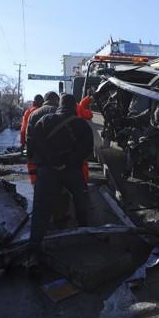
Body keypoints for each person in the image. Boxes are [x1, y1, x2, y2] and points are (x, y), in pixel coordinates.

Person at [27, 94, 94, 269]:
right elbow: (88, 149)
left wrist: (50, 160)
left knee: (41, 208)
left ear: (59, 105)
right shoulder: (81, 124)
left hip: (47, 171)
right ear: (73, 107)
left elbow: (32, 143)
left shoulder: (45, 119)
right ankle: (85, 235)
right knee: (81, 200)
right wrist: (70, 161)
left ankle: (33, 252)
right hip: (72, 171)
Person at [26, 92, 60, 184]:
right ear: (57, 100)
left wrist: (30, 156)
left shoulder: (33, 114)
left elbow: (29, 137)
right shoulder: (60, 112)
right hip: (59, 158)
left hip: (39, 157)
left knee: (40, 185)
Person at [20, 94, 44, 183]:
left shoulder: (28, 112)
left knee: (31, 164)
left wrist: (22, 144)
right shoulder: (47, 111)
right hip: (45, 144)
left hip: (31, 143)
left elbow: (23, 130)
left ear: (34, 102)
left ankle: (34, 183)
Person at [76, 95, 94, 183]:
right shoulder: (78, 107)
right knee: (82, 163)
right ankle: (84, 182)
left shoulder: (56, 109)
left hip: (65, 143)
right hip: (79, 139)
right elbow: (89, 115)